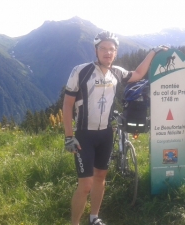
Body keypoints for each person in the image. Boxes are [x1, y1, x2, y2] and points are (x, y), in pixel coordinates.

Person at [63, 30, 167, 225]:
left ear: (116, 52)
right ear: (96, 50)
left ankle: (94, 218)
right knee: (85, 185)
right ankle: (74, 223)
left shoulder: (117, 72)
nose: (108, 52)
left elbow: (137, 73)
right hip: (84, 135)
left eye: (112, 49)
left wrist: (152, 52)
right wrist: (69, 136)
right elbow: (67, 105)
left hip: (105, 134)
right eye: (103, 48)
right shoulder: (81, 71)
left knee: (100, 177)